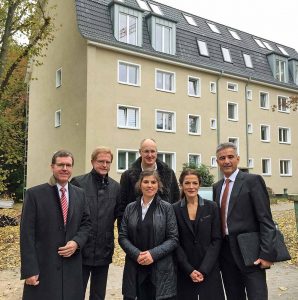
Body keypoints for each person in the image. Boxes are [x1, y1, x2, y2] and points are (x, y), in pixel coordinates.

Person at [20, 150, 91, 300]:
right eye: (60, 165)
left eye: (68, 165)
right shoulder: (35, 195)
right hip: (44, 267)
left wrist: (77, 242)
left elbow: (86, 224)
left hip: (71, 268)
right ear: (52, 167)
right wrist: (29, 270)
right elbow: (26, 234)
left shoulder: (80, 194)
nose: (65, 168)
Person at [213, 142, 277, 300]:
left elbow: (266, 220)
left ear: (238, 159)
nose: (226, 161)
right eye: (222, 158)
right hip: (226, 254)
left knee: (257, 296)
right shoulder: (217, 186)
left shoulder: (253, 181)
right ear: (217, 161)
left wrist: (267, 254)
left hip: (251, 253)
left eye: (230, 157)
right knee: (234, 296)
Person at [119, 170, 178, 300]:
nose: (149, 185)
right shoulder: (130, 208)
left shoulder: (167, 208)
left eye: (153, 182)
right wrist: (136, 254)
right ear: (140, 185)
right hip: (135, 265)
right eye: (146, 182)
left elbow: (173, 239)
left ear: (158, 186)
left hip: (159, 268)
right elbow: (122, 236)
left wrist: (153, 254)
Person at [71, 146, 120, 300]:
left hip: (104, 249)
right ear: (92, 162)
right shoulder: (78, 183)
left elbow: (119, 216)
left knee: (98, 295)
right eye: (100, 161)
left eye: (108, 162)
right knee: (76, 292)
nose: (104, 165)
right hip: (81, 249)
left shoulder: (116, 187)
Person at [173, 169, 225, 300]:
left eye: (195, 183)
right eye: (187, 183)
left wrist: (204, 269)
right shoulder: (173, 209)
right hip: (185, 269)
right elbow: (174, 241)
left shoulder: (212, 207)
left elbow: (217, 239)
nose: (191, 187)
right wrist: (188, 269)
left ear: (199, 185)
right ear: (181, 185)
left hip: (209, 268)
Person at [119, 138, 179, 223]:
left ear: (156, 152)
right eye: (146, 151)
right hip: (136, 230)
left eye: (153, 151)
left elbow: (176, 202)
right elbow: (122, 207)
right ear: (140, 152)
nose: (150, 155)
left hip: (163, 229)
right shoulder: (127, 176)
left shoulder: (169, 173)